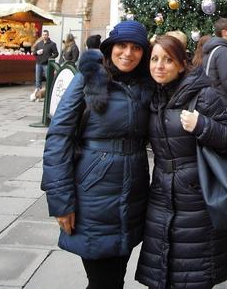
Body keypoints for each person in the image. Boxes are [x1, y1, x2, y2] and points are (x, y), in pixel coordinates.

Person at [41, 20, 154, 289]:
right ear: (110, 48)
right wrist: (61, 202)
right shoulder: (89, 78)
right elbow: (58, 137)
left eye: (136, 48)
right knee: (103, 281)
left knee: (115, 278)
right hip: (93, 195)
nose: (128, 53)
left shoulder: (147, 83)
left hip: (133, 195)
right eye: (122, 46)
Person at [136, 35, 227, 289]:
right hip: (161, 197)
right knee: (161, 274)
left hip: (197, 201)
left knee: (194, 276)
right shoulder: (153, 96)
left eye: (168, 60)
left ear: (182, 64)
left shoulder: (202, 95)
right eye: (155, 59)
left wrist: (202, 125)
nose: (159, 66)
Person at [32, 30, 58, 94]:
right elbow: (34, 53)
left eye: (46, 35)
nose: (44, 36)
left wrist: (49, 58)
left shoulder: (52, 44)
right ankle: (38, 91)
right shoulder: (39, 43)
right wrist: (37, 52)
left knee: (48, 78)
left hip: (46, 64)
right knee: (38, 79)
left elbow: (56, 53)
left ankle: (50, 91)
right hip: (38, 64)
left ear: (48, 35)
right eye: (43, 35)